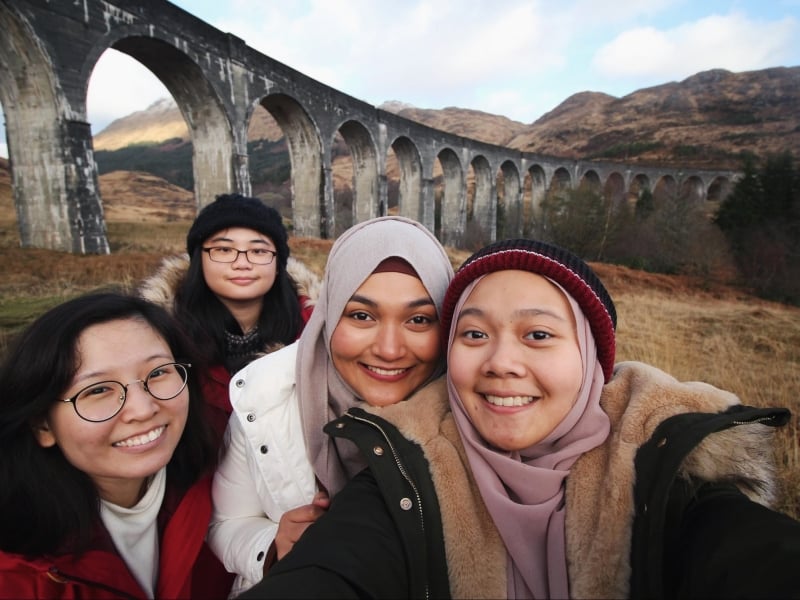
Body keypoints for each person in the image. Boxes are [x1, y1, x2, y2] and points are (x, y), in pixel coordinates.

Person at [240, 238, 800, 599]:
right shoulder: (403, 477)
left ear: (590, 356)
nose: (501, 364)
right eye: (475, 334)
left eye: (538, 335)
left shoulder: (670, 479)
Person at [208, 215, 455, 596]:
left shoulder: (474, 419)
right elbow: (227, 522)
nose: (389, 349)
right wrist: (271, 545)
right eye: (361, 315)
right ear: (328, 313)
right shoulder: (264, 397)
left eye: (419, 319)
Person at [0, 293, 234, 599]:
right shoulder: (19, 574)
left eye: (159, 372)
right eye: (98, 390)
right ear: (42, 425)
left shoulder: (230, 470)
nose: (143, 409)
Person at [139, 193, 319, 444]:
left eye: (258, 250)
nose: (242, 263)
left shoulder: (317, 330)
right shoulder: (158, 336)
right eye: (224, 249)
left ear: (278, 262)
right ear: (198, 260)